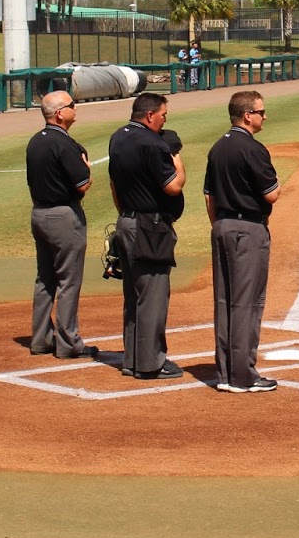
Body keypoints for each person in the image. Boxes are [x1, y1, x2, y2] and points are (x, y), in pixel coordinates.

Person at [203, 90, 281, 394]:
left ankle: (225, 372)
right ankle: (242, 376)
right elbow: (271, 194)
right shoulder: (253, 149)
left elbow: (209, 196)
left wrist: (220, 226)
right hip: (247, 229)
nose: (265, 116)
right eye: (261, 112)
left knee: (225, 302)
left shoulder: (217, 147)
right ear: (247, 116)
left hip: (222, 226)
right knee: (247, 303)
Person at [106, 92, 186, 380]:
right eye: (163, 115)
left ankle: (132, 359)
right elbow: (173, 186)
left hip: (126, 221)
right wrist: (178, 163)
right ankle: (151, 363)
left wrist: (125, 216)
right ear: (150, 115)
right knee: (153, 295)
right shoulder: (152, 143)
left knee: (134, 294)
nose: (165, 119)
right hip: (149, 227)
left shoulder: (117, 137)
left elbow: (114, 184)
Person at [25, 91, 96, 359]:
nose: (76, 109)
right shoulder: (64, 144)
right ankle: (69, 343)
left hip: (39, 214)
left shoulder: (35, 141)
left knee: (45, 279)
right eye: (72, 106)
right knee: (68, 280)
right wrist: (87, 169)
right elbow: (82, 184)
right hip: (63, 218)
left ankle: (41, 339)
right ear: (59, 114)